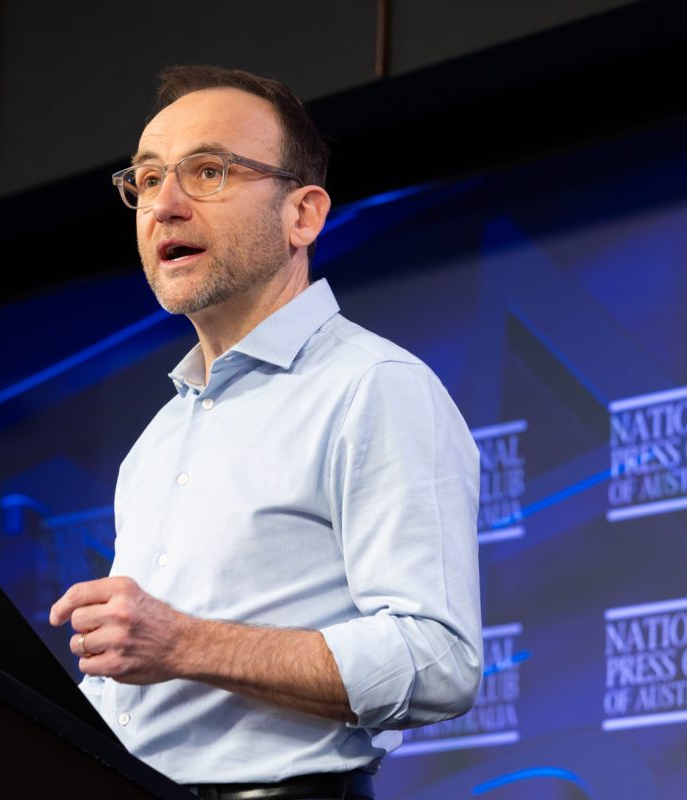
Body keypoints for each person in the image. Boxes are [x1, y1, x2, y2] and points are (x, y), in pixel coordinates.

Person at [49, 65, 482, 799]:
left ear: (303, 216)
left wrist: (183, 643)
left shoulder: (372, 386)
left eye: (208, 171)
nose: (165, 206)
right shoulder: (158, 436)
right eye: (148, 180)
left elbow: (437, 662)